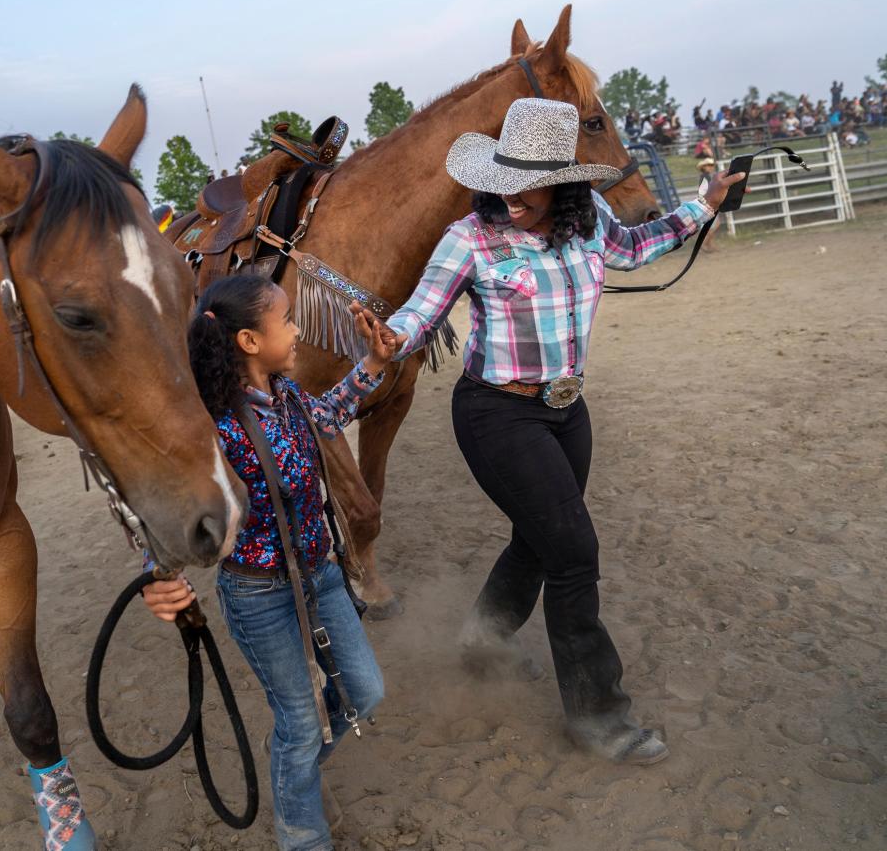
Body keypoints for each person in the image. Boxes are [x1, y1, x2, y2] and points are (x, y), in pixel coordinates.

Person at [380, 98, 744, 765]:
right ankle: (599, 716)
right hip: (496, 412)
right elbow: (418, 314)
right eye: (502, 183)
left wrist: (705, 205)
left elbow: (636, 248)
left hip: (566, 411)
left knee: (542, 537)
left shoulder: (591, 222)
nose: (509, 198)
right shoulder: (470, 238)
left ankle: (485, 636)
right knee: (573, 550)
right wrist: (387, 340)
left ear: (566, 184)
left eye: (527, 187)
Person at [142, 274, 394, 851]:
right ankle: (302, 836)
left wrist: (374, 363)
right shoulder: (213, 426)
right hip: (258, 593)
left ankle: (292, 761)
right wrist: (161, 576)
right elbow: (171, 502)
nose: (298, 329)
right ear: (250, 341)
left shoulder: (290, 395)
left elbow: (330, 414)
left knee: (364, 692)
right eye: (287, 321)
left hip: (321, 575)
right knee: (301, 722)